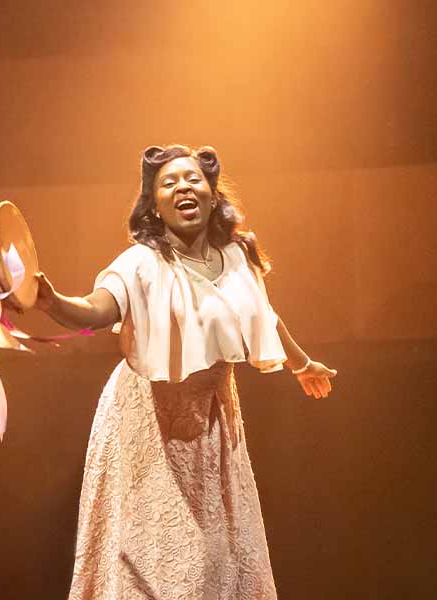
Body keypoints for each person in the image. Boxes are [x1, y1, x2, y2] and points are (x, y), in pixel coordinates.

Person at [27, 144, 337, 599]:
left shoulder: (237, 257)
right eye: (168, 183)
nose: (183, 187)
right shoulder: (140, 263)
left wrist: (301, 363)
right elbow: (96, 311)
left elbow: (265, 316)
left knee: (218, 561)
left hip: (212, 425)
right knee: (161, 558)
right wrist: (52, 302)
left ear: (212, 194)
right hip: (146, 422)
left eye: (193, 179)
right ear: (154, 204)